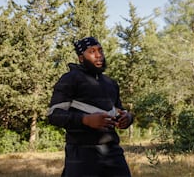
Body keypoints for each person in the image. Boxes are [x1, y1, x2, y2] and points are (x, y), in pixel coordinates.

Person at [48, 37, 134, 177]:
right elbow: (53, 115)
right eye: (92, 51)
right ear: (81, 58)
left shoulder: (111, 83)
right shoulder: (70, 79)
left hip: (112, 152)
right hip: (81, 153)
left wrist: (128, 118)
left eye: (100, 50)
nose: (99, 55)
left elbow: (119, 110)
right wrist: (85, 120)